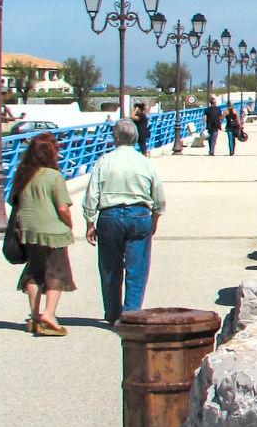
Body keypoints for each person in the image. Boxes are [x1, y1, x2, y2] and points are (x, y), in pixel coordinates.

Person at [85, 118, 166, 324]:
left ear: (115, 137)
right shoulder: (145, 162)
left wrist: (89, 222)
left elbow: (92, 194)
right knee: (137, 268)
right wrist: (155, 217)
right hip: (139, 214)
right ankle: (131, 314)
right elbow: (158, 195)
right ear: (135, 138)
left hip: (109, 216)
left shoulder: (104, 161)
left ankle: (112, 313)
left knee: (110, 268)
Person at [9, 132, 75, 336]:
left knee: (34, 272)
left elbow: (14, 201)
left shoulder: (23, 174)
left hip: (29, 231)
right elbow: (63, 208)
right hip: (52, 231)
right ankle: (49, 314)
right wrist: (69, 224)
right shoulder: (53, 176)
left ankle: (35, 315)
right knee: (57, 272)